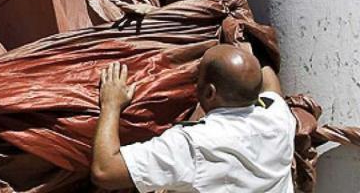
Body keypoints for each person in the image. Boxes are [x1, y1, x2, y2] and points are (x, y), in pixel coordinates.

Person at [91, 45, 295, 192]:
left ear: (210, 93)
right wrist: (247, 41)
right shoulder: (278, 116)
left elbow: (105, 171)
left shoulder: (193, 143)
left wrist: (111, 104)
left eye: (197, 77)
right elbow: (271, 85)